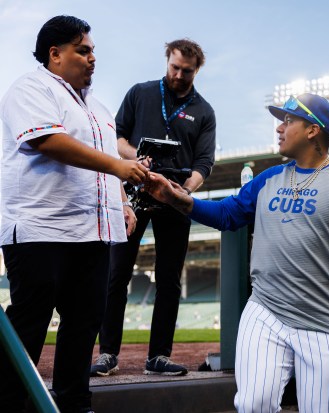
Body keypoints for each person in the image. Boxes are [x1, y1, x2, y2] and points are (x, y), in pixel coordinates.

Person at [143, 93, 329, 411]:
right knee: (252, 404)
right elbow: (228, 214)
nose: (279, 128)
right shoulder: (269, 179)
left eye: (288, 121)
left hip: (327, 322)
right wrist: (174, 197)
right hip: (266, 312)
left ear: (312, 130)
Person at [0, 15, 148, 412]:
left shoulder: (98, 108)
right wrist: (119, 168)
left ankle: (74, 402)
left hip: (92, 230)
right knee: (30, 324)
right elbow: (49, 141)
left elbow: (108, 161)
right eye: (83, 50)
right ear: (55, 53)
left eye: (93, 50)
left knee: (84, 324)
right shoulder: (30, 88)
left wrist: (123, 200)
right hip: (41, 228)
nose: (92, 58)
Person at [91, 38, 216, 377]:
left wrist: (181, 192)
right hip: (134, 191)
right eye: (174, 67)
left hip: (174, 200)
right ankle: (107, 354)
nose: (178, 75)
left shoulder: (203, 111)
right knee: (116, 276)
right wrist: (136, 159)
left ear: (197, 70)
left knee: (169, 280)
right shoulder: (140, 93)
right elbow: (115, 140)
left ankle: (158, 356)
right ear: (167, 61)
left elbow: (204, 163)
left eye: (186, 71)